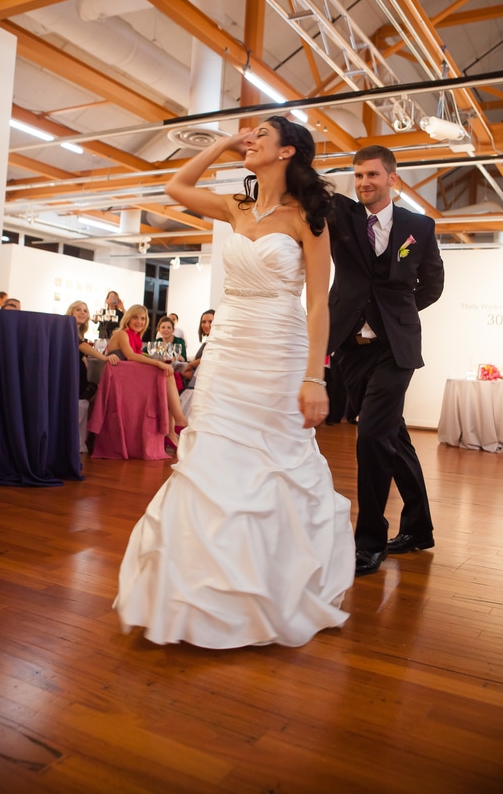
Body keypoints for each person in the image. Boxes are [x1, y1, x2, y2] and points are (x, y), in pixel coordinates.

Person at [114, 116, 355, 649]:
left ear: (288, 151)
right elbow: (175, 186)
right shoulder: (235, 206)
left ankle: (271, 585)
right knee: (213, 458)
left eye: (261, 135)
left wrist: (315, 375)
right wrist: (222, 144)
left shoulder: (309, 218)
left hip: (279, 346)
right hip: (227, 345)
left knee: (273, 461)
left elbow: (319, 303)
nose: (251, 140)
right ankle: (202, 585)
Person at [327, 144, 445, 577]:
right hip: (350, 349)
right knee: (392, 437)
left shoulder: (419, 227)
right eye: (358, 175)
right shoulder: (342, 215)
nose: (363, 183)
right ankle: (418, 528)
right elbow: (307, 186)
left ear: (392, 179)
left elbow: (432, 285)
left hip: (396, 350)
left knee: (372, 437)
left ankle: (369, 541)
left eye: (372, 175)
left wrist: (396, 314)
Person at [106, 304, 188, 444]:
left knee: (166, 378)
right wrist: (158, 363)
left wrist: (157, 359)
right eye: (135, 317)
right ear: (128, 318)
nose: (140, 321)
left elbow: (138, 354)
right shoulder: (121, 333)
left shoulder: (135, 336)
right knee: (165, 373)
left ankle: (172, 432)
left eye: (143, 318)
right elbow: (131, 356)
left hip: (128, 376)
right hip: (119, 380)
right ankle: (179, 422)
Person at [66, 301, 120, 399]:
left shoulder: (78, 331)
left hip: (77, 374)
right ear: (71, 312)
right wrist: (105, 358)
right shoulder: (68, 328)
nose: (82, 313)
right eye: (78, 310)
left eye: (85, 311)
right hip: (70, 375)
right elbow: (81, 346)